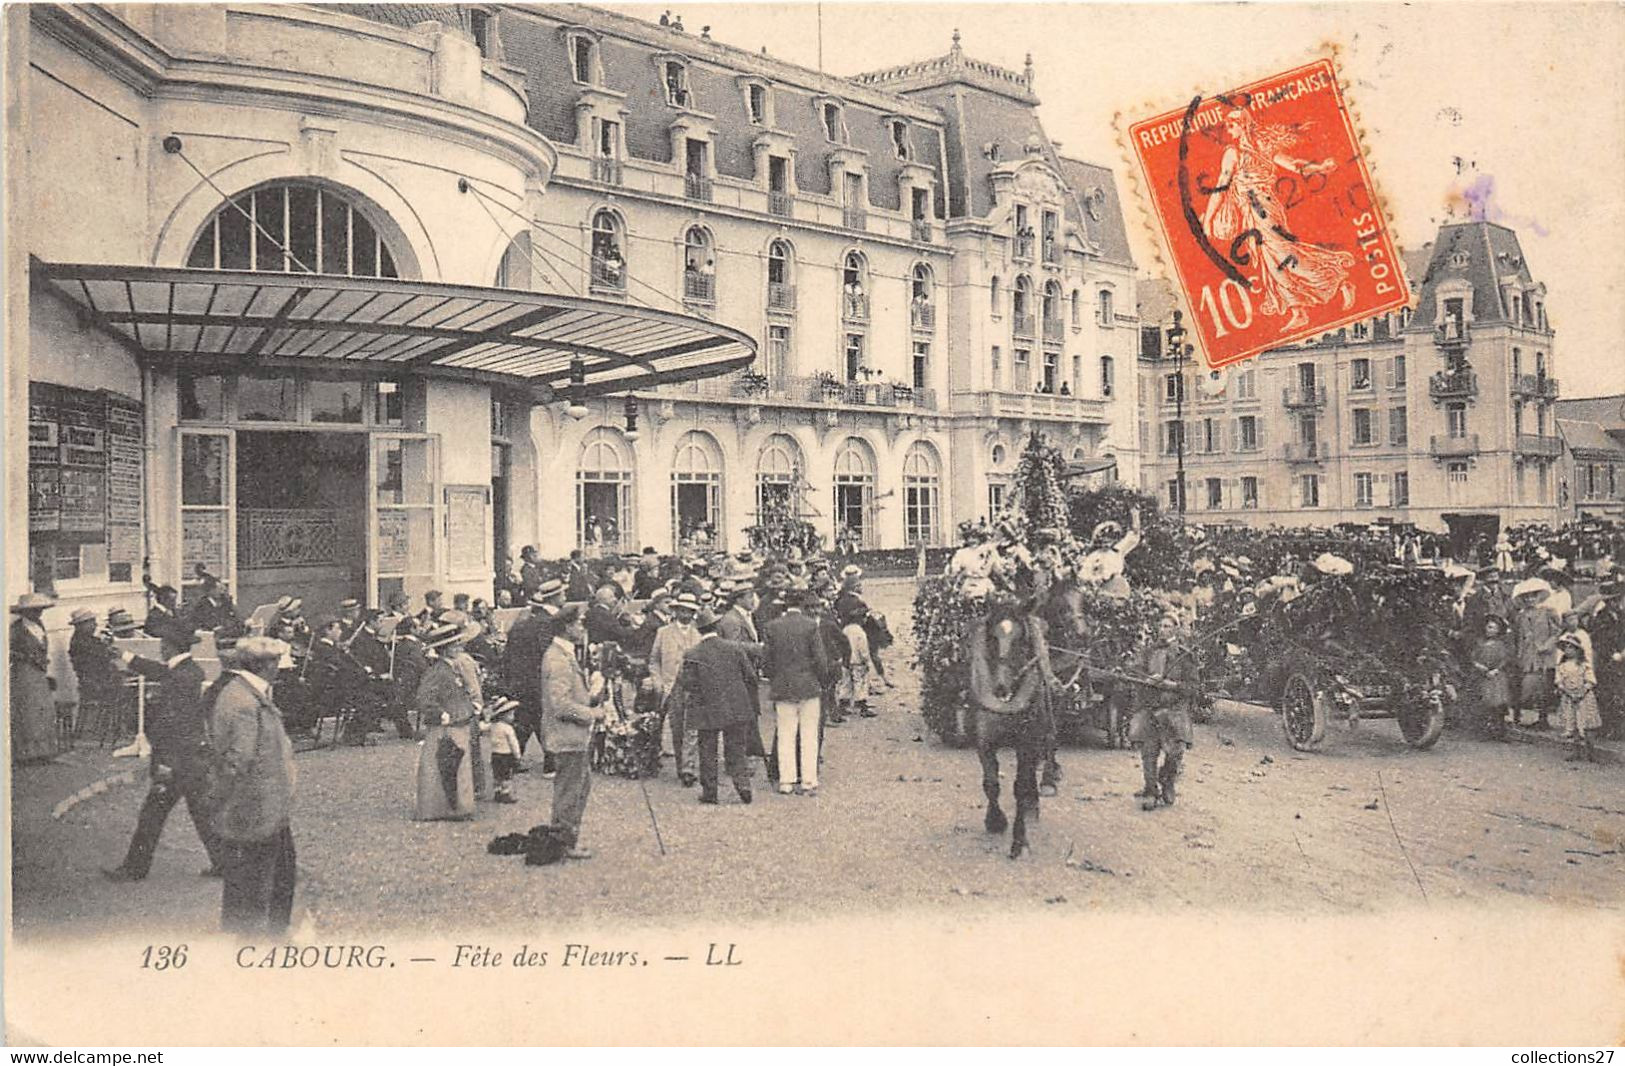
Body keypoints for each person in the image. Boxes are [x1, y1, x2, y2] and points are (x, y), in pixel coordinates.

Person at [103, 621, 226, 881]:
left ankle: (134, 869)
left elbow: (173, 726)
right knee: (202, 813)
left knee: (151, 815)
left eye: (162, 644)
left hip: (176, 760)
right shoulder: (187, 670)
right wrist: (126, 656)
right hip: (193, 758)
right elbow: (159, 671)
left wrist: (165, 763)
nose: (161, 649)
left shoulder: (179, 677)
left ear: (168, 646)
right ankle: (224, 863)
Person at [207, 636, 297, 935]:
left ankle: (260, 934)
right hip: (256, 805)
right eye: (276, 662)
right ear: (264, 666)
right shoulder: (245, 702)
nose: (280, 668)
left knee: (271, 872)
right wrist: (226, 800)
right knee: (265, 876)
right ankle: (263, 940)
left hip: (266, 804)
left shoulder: (247, 693)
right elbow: (236, 760)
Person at [541, 606, 607, 858]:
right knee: (571, 789)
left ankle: (565, 838)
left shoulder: (563, 654)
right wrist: (592, 713)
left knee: (579, 785)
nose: (582, 628)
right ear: (567, 627)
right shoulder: (558, 658)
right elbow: (560, 704)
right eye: (579, 623)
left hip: (572, 735)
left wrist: (590, 693)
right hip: (567, 735)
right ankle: (564, 841)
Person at [680, 609, 759, 804]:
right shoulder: (734, 648)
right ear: (716, 626)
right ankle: (743, 786)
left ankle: (710, 792)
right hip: (736, 706)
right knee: (736, 749)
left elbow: (688, 683)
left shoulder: (692, 653)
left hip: (707, 708)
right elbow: (751, 677)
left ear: (698, 631)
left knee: (707, 750)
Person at [763, 588, 832, 796]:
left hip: (783, 686)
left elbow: (767, 661)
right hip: (808, 685)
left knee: (785, 733)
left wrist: (775, 678)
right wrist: (821, 679)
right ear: (802, 604)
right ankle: (808, 780)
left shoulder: (772, 627)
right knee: (809, 733)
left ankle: (786, 781)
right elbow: (820, 659)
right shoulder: (810, 626)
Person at [1129, 615, 1200, 810]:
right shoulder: (1147, 651)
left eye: (1167, 626)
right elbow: (1135, 672)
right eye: (1160, 625)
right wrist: (1147, 680)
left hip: (1174, 710)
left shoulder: (1185, 655)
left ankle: (1168, 780)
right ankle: (1151, 790)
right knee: (1148, 750)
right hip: (1151, 707)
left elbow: (1193, 686)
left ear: (1175, 630)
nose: (1163, 629)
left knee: (1176, 751)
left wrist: (1172, 685)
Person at [413, 622, 478, 821]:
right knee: (447, 766)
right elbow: (424, 697)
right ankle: (445, 808)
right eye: (455, 644)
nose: (459, 646)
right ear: (445, 648)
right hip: (446, 726)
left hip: (458, 721)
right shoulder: (438, 671)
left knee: (456, 766)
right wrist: (441, 714)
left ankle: (455, 806)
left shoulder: (450, 668)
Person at [648, 596, 702, 785]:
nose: (686, 614)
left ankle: (689, 768)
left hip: (694, 688)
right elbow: (654, 660)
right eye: (682, 610)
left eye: (689, 610)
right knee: (677, 727)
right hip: (671, 686)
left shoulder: (698, 634)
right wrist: (657, 681)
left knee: (692, 729)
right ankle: (681, 764)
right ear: (676, 611)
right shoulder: (663, 632)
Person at [10, 592, 57, 765]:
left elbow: (42, 648)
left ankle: (44, 751)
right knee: (28, 712)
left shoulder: (40, 626)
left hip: (39, 672)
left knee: (43, 710)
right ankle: (27, 754)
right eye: (34, 610)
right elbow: (8, 651)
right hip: (24, 673)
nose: (38, 613)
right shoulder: (16, 629)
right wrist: (25, 657)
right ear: (25, 612)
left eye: (39, 610)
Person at [1514, 583, 1561, 729]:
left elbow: (1556, 632)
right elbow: (1519, 637)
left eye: (1532, 596)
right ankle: (1519, 715)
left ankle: (1543, 718)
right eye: (1526, 597)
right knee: (1527, 686)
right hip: (1528, 655)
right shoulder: (1520, 616)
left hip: (1544, 655)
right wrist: (1519, 654)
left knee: (1544, 686)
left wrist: (1546, 646)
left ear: (1538, 596)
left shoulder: (1548, 612)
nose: (1530, 600)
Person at [1555, 634, 1602, 763]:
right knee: (1573, 724)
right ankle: (1575, 751)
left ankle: (1591, 751)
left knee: (1587, 725)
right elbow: (1559, 681)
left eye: (1571, 647)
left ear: (1578, 650)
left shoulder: (1583, 665)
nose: (1568, 650)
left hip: (1584, 698)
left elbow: (1591, 681)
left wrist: (1582, 692)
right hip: (1568, 697)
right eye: (1566, 647)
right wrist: (1566, 691)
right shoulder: (1561, 666)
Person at [1469, 616, 1513, 741]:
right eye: (1489, 627)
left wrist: (1496, 670)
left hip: (1497, 676)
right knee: (1485, 702)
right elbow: (1473, 658)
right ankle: (1486, 730)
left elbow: (1505, 660)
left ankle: (1500, 731)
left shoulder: (1501, 644)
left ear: (1498, 630)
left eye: (1494, 628)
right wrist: (1480, 667)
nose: (1491, 630)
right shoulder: (1479, 643)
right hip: (1482, 675)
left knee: (1499, 702)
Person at [487, 702, 522, 804]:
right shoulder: (508, 729)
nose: (513, 717)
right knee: (506, 775)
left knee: (497, 775)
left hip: (495, 754)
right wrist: (517, 755)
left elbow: (483, 727)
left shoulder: (493, 726)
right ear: (503, 716)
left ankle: (497, 792)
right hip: (506, 754)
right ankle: (505, 793)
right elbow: (513, 743)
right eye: (511, 714)